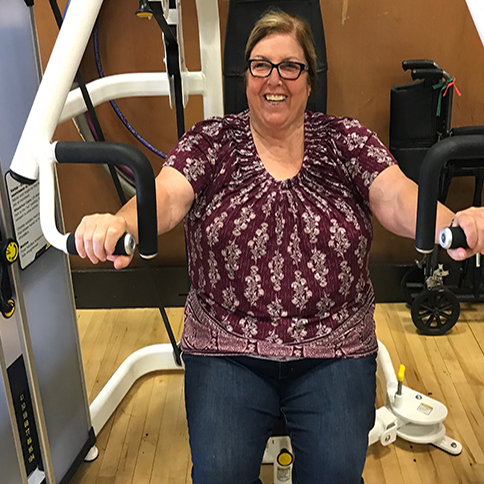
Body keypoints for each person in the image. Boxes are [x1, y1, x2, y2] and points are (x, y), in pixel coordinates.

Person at [74, 10, 484, 484]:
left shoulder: (345, 140)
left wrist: (454, 223)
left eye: (290, 66)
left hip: (335, 346)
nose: (275, 79)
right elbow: (166, 196)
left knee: (335, 475)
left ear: (310, 81)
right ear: (246, 76)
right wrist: (119, 223)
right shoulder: (211, 141)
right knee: (219, 475)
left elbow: (395, 195)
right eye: (261, 65)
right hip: (226, 345)